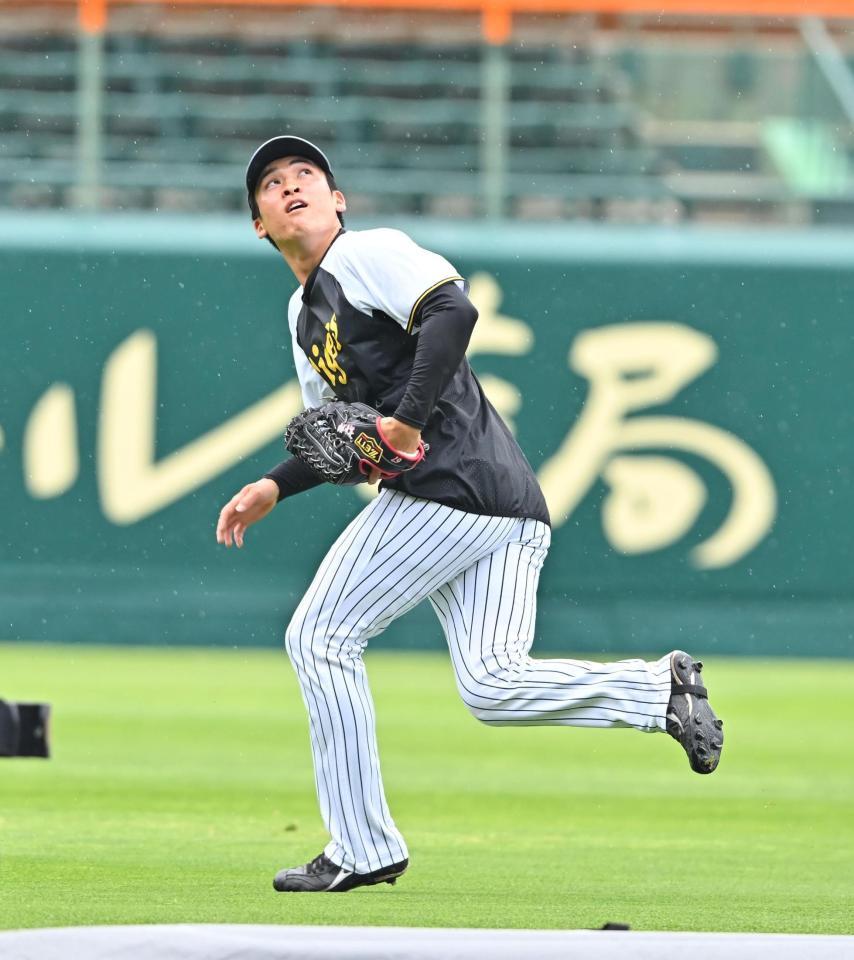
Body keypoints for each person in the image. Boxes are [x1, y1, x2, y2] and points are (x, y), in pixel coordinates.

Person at [216, 136, 724, 894]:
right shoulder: (303, 312)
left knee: (319, 636)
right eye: (273, 184)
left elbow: (453, 311)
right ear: (258, 223)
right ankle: (658, 690)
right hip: (507, 504)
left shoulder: (367, 255)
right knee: (493, 684)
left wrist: (409, 422)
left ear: (338, 199)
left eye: (308, 176)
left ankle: (362, 846)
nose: (292, 187)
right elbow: (343, 437)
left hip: (449, 487)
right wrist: (274, 486)